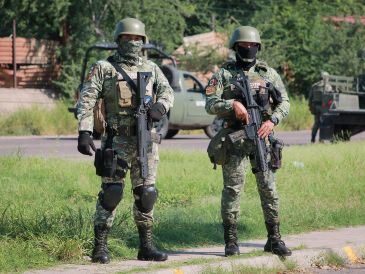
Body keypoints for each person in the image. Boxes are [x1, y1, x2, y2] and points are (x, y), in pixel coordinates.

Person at [77, 17, 174, 263]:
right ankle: (99, 247)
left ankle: (146, 247)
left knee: (147, 194)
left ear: (144, 41)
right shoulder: (104, 68)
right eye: (128, 38)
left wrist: (160, 107)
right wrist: (85, 131)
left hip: (146, 143)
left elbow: (167, 92)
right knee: (111, 193)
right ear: (118, 40)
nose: (133, 42)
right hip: (115, 141)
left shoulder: (152, 68)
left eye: (137, 39)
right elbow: (86, 100)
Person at [205, 26, 291, 257]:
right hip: (235, 140)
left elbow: (284, 103)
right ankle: (231, 241)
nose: (249, 49)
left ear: (258, 47)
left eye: (253, 45)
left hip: (262, 138)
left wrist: (272, 121)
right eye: (244, 45)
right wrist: (231, 105)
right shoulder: (223, 74)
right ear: (235, 47)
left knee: (269, 190)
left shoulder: (268, 74)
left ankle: (274, 239)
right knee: (232, 191)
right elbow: (210, 102)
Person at [308, 71, 332, 143]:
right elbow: (330, 98)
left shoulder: (314, 86)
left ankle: (313, 139)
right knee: (324, 123)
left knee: (316, 123)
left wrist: (311, 107)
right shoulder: (328, 86)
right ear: (326, 78)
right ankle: (321, 139)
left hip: (316, 107)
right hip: (324, 108)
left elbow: (310, 98)